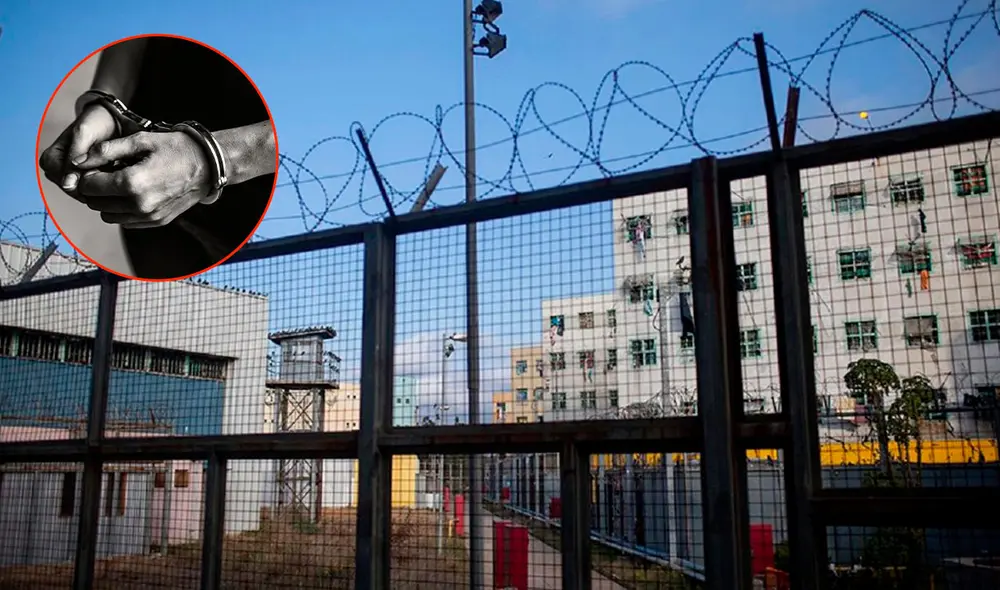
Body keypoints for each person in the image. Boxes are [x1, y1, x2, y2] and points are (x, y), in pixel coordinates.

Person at [39, 36, 277, 279]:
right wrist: (108, 105)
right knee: (165, 308)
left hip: (256, 193)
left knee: (228, 304)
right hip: (142, 174)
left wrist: (209, 160)